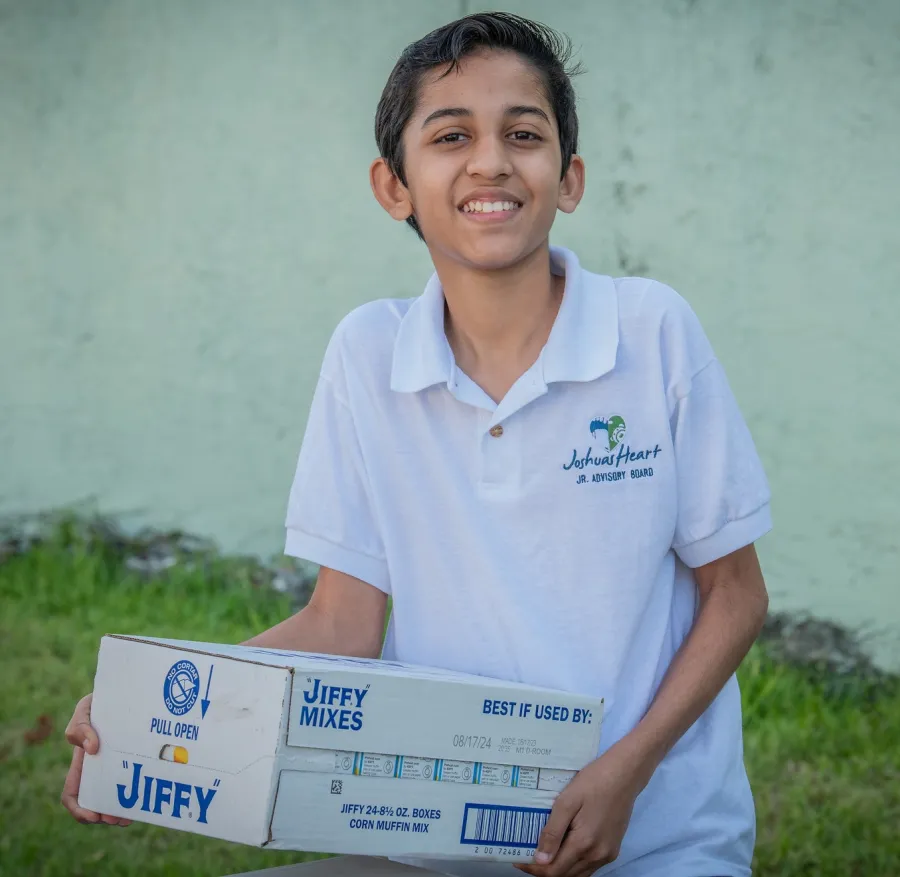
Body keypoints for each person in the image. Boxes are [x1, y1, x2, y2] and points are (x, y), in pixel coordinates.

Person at [62, 12, 772, 877]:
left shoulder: (652, 330)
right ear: (393, 186)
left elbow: (734, 596)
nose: (491, 161)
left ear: (569, 176)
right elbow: (342, 624)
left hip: (657, 841)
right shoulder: (367, 355)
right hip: (437, 846)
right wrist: (148, 713)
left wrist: (626, 771)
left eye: (524, 133)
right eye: (451, 135)